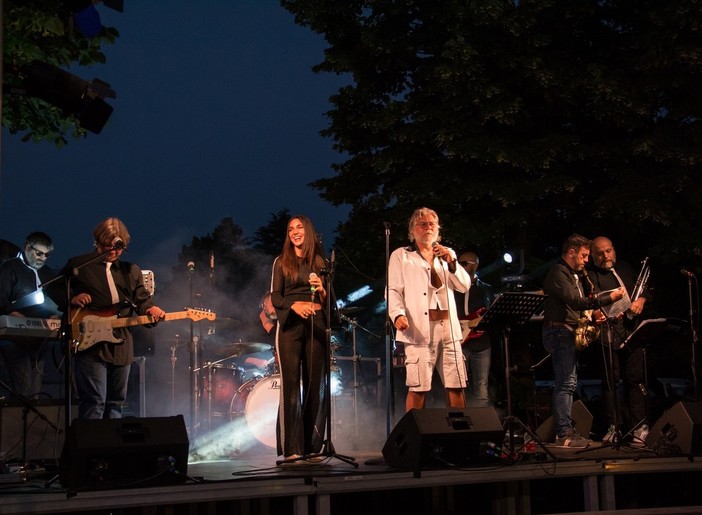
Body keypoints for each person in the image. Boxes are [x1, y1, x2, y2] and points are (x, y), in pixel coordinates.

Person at [60, 217, 165, 419]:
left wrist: (151, 309)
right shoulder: (79, 266)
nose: (115, 252)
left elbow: (141, 299)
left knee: (116, 403)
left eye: (119, 248)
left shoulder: (130, 271)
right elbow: (55, 288)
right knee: (94, 401)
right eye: (110, 247)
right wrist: (72, 298)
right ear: (98, 243)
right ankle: (91, 448)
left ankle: (111, 449)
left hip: (122, 343)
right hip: (91, 344)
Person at [542, 233, 625, 447]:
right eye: (584, 255)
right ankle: (564, 434)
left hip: (567, 331)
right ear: (571, 252)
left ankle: (566, 431)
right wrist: (609, 298)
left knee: (569, 383)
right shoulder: (558, 273)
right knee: (566, 384)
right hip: (559, 332)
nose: (586, 260)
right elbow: (576, 301)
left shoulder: (572, 274)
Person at [388, 207, 471, 411]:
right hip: (419, 330)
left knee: (457, 385)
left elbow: (464, 285)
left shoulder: (446, 255)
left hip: (448, 330)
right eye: (422, 224)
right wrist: (397, 314)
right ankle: (415, 438)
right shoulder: (402, 255)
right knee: (418, 387)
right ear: (413, 230)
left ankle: (460, 437)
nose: (428, 227)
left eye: (432, 224)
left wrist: (451, 262)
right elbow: (393, 289)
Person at [269, 215, 328, 461]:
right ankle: (291, 447)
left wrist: (322, 288)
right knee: (291, 385)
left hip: (315, 324)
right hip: (290, 327)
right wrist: (294, 306)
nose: (295, 232)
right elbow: (275, 297)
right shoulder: (281, 262)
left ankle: (313, 446)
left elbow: (327, 301)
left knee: (315, 385)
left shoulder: (319, 261)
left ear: (308, 230)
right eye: (291, 229)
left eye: (299, 227)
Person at [588, 236, 651, 445]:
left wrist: (641, 300)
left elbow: (645, 291)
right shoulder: (591, 275)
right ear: (593, 255)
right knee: (610, 383)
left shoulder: (624, 267)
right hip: (609, 333)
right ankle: (613, 426)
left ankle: (639, 427)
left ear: (614, 250)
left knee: (636, 380)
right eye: (600, 253)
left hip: (633, 332)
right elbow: (593, 303)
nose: (605, 256)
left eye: (608, 251)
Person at [0, 232, 62, 398]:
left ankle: (31, 417)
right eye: (39, 253)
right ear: (27, 247)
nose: (42, 258)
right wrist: (12, 312)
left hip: (39, 337)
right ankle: (19, 419)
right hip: (14, 337)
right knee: (23, 383)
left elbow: (56, 300)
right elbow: (1, 298)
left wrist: (55, 315)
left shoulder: (47, 272)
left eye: (47, 255)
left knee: (35, 385)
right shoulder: (9, 267)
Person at [456, 251, 496, 407]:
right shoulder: (453, 287)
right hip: (459, 342)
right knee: (457, 386)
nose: (461, 266)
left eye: (465, 263)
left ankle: (481, 422)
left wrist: (480, 321)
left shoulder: (486, 289)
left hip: (481, 343)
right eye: (459, 263)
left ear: (475, 265)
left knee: (481, 386)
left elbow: (490, 311)